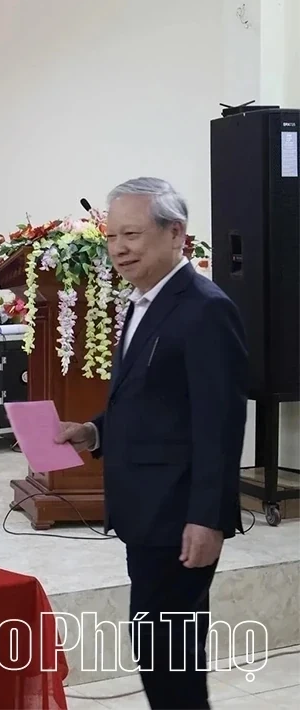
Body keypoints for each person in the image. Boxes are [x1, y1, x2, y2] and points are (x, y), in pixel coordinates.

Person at [56, 177, 248, 709]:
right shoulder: (145, 302)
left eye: (133, 235)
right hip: (146, 510)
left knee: (172, 656)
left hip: (180, 515)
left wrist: (207, 518)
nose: (119, 248)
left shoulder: (204, 308)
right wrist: (94, 431)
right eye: (112, 236)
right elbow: (146, 400)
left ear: (176, 233)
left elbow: (220, 422)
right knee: (157, 648)